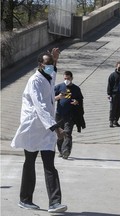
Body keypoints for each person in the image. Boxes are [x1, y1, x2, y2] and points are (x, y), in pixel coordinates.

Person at [11, 48, 68, 213]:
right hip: (33, 127)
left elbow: (53, 77)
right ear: (40, 65)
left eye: (51, 63)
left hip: (45, 128)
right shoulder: (34, 80)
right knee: (30, 163)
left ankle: (55, 203)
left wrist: (55, 60)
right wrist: (56, 128)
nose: (50, 66)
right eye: (47, 63)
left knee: (49, 164)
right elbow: (40, 106)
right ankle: (25, 199)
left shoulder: (48, 76)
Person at [54, 71, 85, 159]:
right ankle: (61, 150)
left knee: (67, 133)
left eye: (68, 78)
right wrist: (59, 97)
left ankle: (66, 151)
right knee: (60, 134)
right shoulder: (59, 87)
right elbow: (51, 98)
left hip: (70, 115)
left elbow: (80, 100)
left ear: (72, 78)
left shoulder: (76, 89)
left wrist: (77, 102)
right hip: (59, 114)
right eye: (65, 78)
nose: (66, 80)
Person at [107, 61, 120, 127]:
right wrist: (109, 94)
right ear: (116, 66)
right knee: (112, 108)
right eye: (119, 66)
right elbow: (109, 85)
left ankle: (116, 120)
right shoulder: (112, 75)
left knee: (119, 108)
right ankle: (111, 121)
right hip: (114, 94)